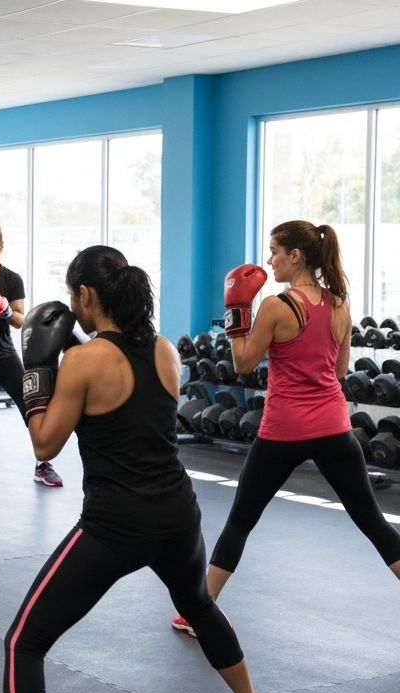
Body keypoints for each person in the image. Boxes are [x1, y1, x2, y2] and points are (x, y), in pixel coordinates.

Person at [0, 245, 271, 693]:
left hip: (116, 525)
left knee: (24, 641)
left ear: (85, 297)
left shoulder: (84, 362)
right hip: (179, 515)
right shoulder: (164, 350)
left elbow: (45, 444)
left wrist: (34, 378)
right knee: (199, 605)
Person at [170, 221, 400, 636]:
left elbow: (242, 362)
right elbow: (340, 370)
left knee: (241, 519)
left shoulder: (278, 306)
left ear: (296, 255)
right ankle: (196, 609)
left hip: (283, 429)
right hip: (334, 426)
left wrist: (237, 312)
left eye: (275, 250)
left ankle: (195, 612)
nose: (270, 259)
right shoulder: (340, 304)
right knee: (371, 519)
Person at [0, 220, 63, 487]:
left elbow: (21, 320)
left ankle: (43, 464)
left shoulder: (11, 279)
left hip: (1, 352)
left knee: (31, 404)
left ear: (1, 247)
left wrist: (3, 309)